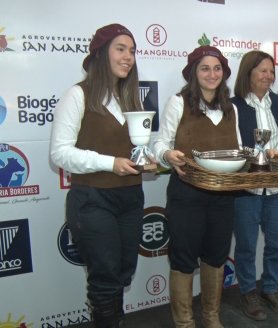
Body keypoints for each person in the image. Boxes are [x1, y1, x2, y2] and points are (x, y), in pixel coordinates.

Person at [50, 23, 145, 327]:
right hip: (93, 200)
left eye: (131, 50)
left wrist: (149, 159)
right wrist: (110, 163)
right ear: (101, 53)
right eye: (120, 48)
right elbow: (59, 153)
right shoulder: (78, 95)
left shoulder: (130, 99)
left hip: (130, 198)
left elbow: (131, 149)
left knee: (122, 273)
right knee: (105, 278)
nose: (128, 56)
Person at [153, 45, 239, 328]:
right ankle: (185, 322)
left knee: (216, 256)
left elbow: (237, 150)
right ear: (193, 73)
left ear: (224, 73)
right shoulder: (178, 103)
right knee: (183, 259)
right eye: (205, 68)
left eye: (217, 68)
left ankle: (211, 316)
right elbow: (160, 144)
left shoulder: (232, 109)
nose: (212, 74)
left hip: (222, 194)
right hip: (186, 194)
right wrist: (167, 154)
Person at [230, 50, 278, 321]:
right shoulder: (232, 106)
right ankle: (247, 292)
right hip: (247, 190)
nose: (268, 75)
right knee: (245, 246)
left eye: (271, 71)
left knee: (277, 244)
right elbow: (228, 148)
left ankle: (270, 288)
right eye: (262, 70)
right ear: (248, 73)